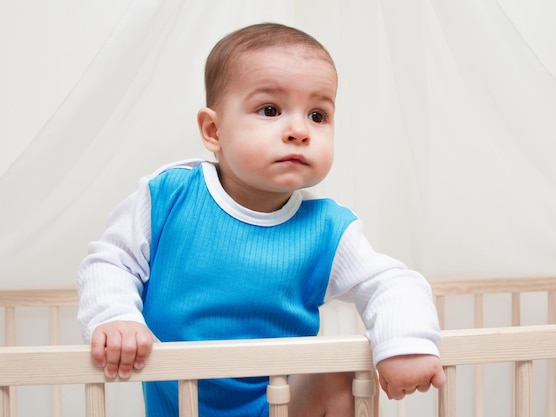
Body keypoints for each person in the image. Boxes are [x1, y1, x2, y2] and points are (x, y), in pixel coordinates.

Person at [77, 22, 445, 417]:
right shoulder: (168, 196)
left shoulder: (328, 229)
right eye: (270, 110)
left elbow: (390, 282)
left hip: (282, 407)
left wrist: (406, 341)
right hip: (181, 408)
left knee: (341, 375)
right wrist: (116, 317)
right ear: (213, 130)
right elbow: (110, 262)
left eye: (318, 115)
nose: (299, 130)